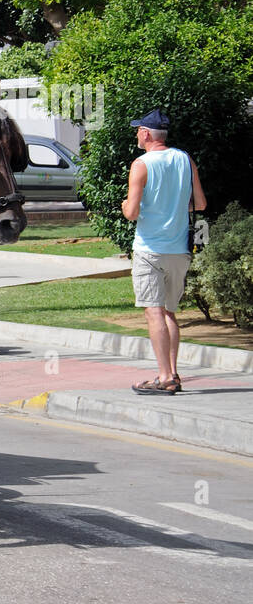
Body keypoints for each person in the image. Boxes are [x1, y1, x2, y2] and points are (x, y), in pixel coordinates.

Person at [120, 108, 206, 395]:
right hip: (179, 249)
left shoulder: (141, 164)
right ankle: (173, 373)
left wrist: (126, 206)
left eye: (138, 130)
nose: (136, 134)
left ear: (146, 134)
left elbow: (131, 213)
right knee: (169, 312)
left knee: (153, 312)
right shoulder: (185, 159)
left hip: (150, 249)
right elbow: (201, 203)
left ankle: (164, 377)